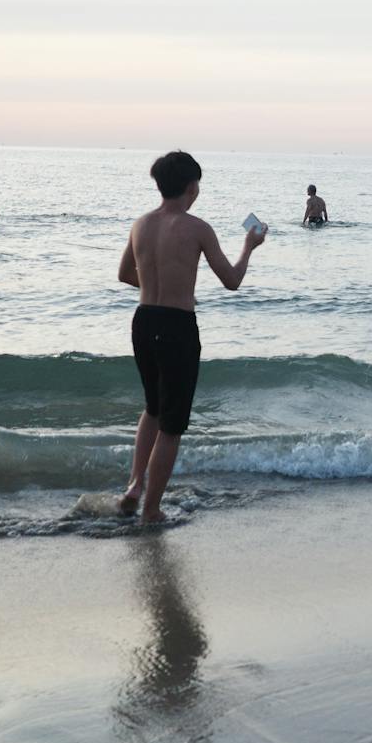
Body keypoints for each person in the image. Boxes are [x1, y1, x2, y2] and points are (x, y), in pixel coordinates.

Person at [117, 151, 265, 523]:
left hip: (143, 321)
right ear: (192, 186)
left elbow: (125, 275)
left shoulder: (141, 224)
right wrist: (249, 247)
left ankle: (135, 485)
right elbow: (231, 281)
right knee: (172, 424)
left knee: (152, 408)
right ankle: (151, 510)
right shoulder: (197, 228)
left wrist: (159, 287)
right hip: (177, 327)